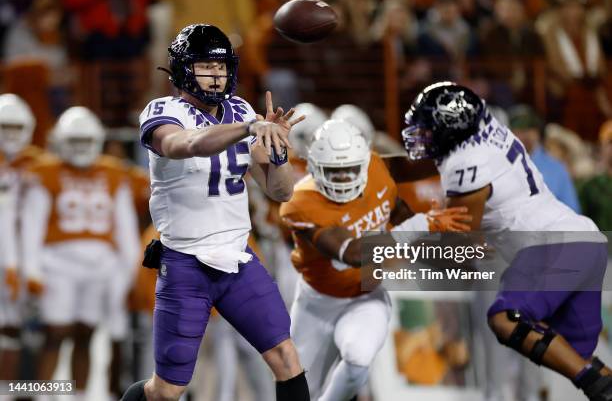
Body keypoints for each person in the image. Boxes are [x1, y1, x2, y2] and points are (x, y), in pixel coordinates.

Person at [121, 23, 309, 401]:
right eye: (206, 66)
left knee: (286, 357)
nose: (216, 75)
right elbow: (184, 145)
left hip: (238, 258)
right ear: (181, 69)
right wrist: (247, 128)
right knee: (168, 390)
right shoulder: (163, 111)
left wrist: (278, 151)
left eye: (221, 67)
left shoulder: (241, 111)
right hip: (186, 264)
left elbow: (280, 189)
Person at [401, 82, 610, 401]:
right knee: (576, 354)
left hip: (550, 247)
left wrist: (407, 239)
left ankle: (594, 383)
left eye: (430, 129)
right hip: (584, 240)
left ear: (452, 129)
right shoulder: (485, 125)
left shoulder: (465, 164)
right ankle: (598, 383)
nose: (423, 135)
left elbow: (461, 248)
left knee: (506, 319)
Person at [279, 119, 471, 400]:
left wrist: (452, 153)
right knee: (297, 386)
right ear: (315, 168)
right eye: (335, 171)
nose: (344, 178)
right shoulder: (300, 202)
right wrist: (421, 225)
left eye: (350, 169)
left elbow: (399, 200)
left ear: (364, 163)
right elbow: (354, 253)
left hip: (365, 295)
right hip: (317, 302)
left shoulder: (375, 167)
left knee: (358, 359)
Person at [21, 106, 140, 399]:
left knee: (86, 333)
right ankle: (43, 394)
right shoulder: (46, 172)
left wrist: (132, 271)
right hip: (57, 263)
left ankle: (79, 394)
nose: (80, 148)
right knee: (55, 333)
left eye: (85, 141)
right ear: (60, 141)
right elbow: (32, 226)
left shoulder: (114, 173)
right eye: (74, 141)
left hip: (101, 265)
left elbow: (125, 228)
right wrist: (31, 269)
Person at [0, 94, 43, 383]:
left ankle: (16, 390)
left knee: (24, 330)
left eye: (17, 127)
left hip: (29, 254)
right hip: (7, 256)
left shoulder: (42, 165)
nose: (12, 135)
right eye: (6, 127)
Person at [508, 104, 581, 213]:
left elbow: (573, 211)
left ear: (536, 132)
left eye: (528, 129)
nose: (523, 135)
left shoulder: (556, 168)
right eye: (518, 130)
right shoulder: (502, 164)